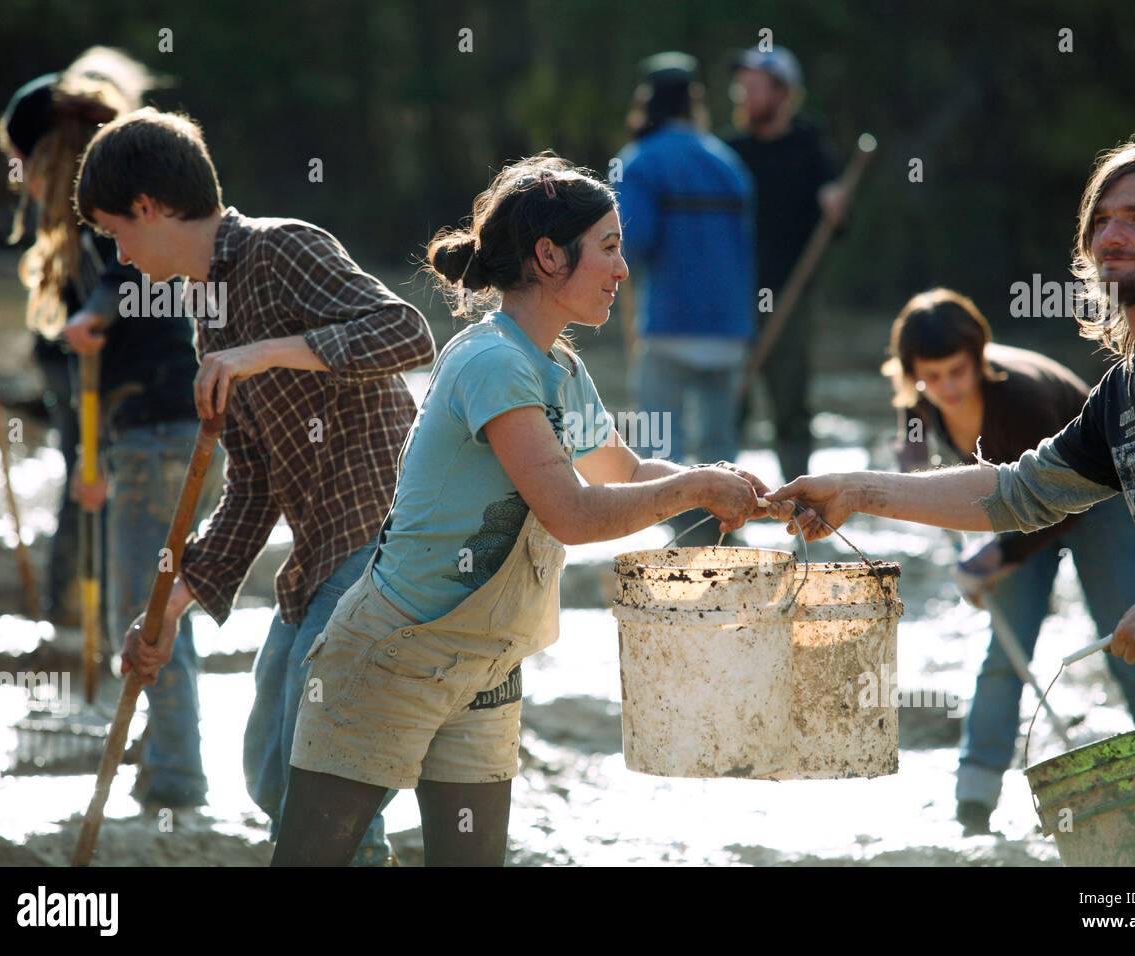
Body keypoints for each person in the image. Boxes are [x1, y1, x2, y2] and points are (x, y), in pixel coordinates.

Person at [769, 138, 1135, 854]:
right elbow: (1015, 492)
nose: (1112, 235)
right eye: (1101, 220)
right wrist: (856, 490)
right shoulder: (1121, 392)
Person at [271, 154, 769, 866]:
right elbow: (572, 512)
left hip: (487, 664)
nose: (623, 269)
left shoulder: (559, 366)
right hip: (392, 656)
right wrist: (693, 490)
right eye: (608, 248)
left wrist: (742, 491)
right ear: (546, 256)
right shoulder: (492, 363)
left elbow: (625, 473)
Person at [76, 107, 437, 865]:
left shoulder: (284, 248)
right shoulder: (207, 322)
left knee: (318, 768)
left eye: (117, 232)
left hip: (384, 537)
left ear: (150, 207)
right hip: (317, 559)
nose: (121, 253)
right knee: (269, 773)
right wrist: (171, 605)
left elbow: (407, 333)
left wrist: (269, 352)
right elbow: (252, 486)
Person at [0, 49, 221, 810]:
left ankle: (175, 773)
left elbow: (132, 276)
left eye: (22, 160)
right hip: (149, 422)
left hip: (160, 425)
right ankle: (163, 757)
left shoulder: (112, 204)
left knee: (150, 613)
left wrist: (96, 314)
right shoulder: (106, 202)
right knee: (149, 606)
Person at [884, 287, 1135, 834]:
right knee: (1005, 651)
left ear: (978, 358)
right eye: (932, 377)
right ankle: (973, 802)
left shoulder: (1019, 398)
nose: (947, 388)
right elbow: (917, 444)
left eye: (958, 372)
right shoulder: (921, 396)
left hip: (1099, 497)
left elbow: (1057, 502)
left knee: (1126, 638)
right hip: (1017, 512)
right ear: (913, 374)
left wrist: (994, 557)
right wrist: (914, 458)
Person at [614, 52, 756, 545]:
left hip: (670, 326)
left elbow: (632, 242)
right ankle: (723, 538)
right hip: (730, 330)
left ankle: (678, 545)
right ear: (694, 102)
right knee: (720, 449)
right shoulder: (728, 163)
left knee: (658, 449)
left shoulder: (641, 161)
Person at [727, 46, 850, 483]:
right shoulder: (728, 151)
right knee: (729, 399)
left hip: (791, 293)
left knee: (790, 402)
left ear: (783, 94)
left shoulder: (810, 147)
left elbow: (836, 223)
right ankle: (723, 505)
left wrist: (835, 207)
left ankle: (799, 504)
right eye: (741, 87)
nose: (742, 95)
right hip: (735, 295)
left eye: (753, 87)